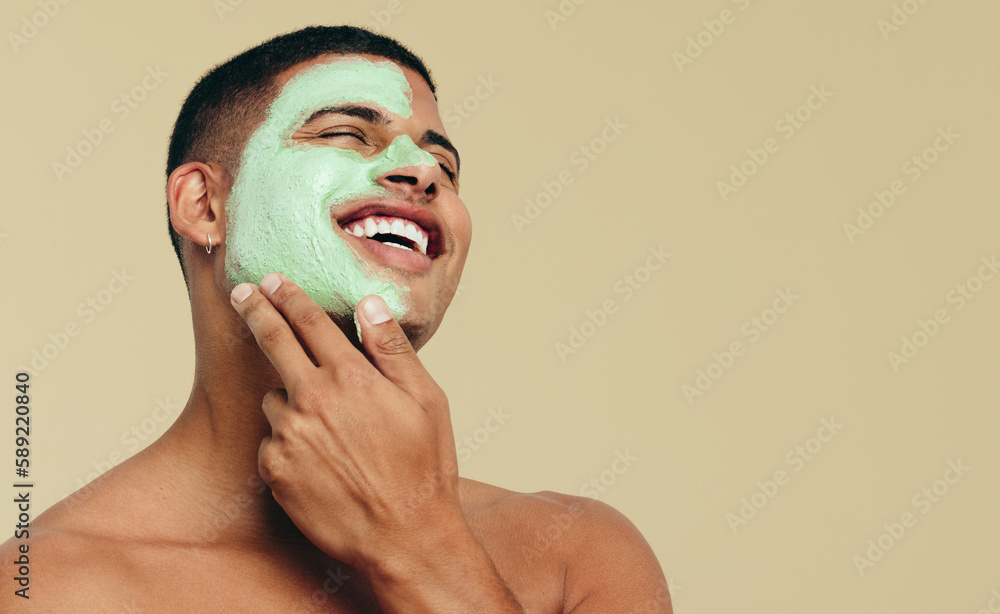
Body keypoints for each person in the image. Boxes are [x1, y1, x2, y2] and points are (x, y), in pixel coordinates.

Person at [1, 26, 671, 612]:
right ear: (204, 206)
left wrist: (419, 546)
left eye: (445, 165)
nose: (421, 171)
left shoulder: (577, 555)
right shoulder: (46, 589)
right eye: (349, 134)